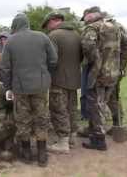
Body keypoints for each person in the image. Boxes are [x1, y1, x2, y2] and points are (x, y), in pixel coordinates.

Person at [0, 13, 58, 167]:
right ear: (27, 24)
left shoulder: (10, 41)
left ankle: (26, 153)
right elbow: (53, 60)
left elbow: (5, 68)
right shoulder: (43, 37)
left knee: (22, 120)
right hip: (40, 86)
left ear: (15, 25)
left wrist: (7, 87)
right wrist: (45, 74)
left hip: (20, 88)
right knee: (41, 118)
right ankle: (42, 154)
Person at [80, 6, 122, 150]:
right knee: (102, 103)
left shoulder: (92, 28)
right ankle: (94, 132)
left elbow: (88, 47)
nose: (84, 20)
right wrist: (119, 66)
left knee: (95, 106)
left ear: (91, 15)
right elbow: (126, 47)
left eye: (84, 17)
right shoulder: (114, 26)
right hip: (113, 73)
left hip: (98, 74)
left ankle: (99, 140)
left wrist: (95, 62)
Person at [41, 12, 82, 153]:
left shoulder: (53, 36)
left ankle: (62, 142)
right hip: (75, 79)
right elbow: (81, 56)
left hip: (58, 79)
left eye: (47, 25)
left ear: (53, 21)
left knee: (58, 109)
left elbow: (51, 60)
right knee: (72, 109)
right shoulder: (76, 34)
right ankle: (72, 137)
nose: (48, 28)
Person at [105, 18, 127, 135]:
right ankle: (116, 123)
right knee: (112, 97)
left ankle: (118, 124)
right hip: (110, 69)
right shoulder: (114, 27)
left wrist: (120, 66)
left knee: (112, 97)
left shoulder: (116, 28)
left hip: (114, 70)